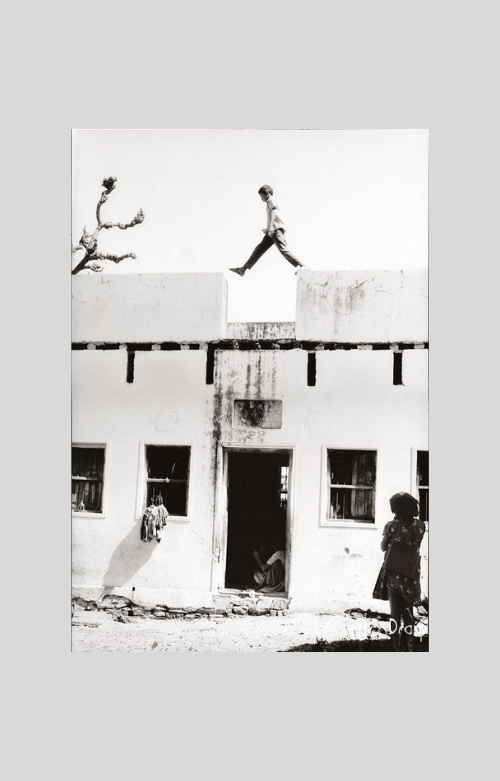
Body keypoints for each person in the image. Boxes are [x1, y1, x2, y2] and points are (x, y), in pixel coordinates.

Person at [373, 492, 426, 651]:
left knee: (395, 614)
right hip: (411, 574)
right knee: (408, 613)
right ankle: (409, 647)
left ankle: (396, 647)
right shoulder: (420, 525)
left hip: (394, 574)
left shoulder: (391, 526)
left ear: (396, 509)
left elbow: (383, 547)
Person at [230, 185, 306, 276]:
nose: (261, 199)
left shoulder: (271, 200)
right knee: (259, 249)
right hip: (273, 230)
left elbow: (274, 212)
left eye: (261, 196)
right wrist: (268, 229)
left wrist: (270, 228)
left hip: (275, 229)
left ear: (267, 194)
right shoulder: (270, 201)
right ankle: (243, 269)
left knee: (283, 250)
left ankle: (302, 266)